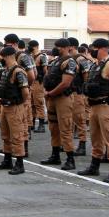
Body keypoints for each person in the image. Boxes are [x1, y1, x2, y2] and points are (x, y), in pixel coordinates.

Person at [78, 39, 109, 182]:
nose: (92, 50)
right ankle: (94, 166)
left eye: (95, 48)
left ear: (103, 49)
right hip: (94, 105)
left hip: (106, 105)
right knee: (95, 137)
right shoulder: (95, 65)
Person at [0, 46, 31, 175]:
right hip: (5, 106)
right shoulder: (5, 71)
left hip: (15, 107)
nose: (0, 59)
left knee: (17, 135)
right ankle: (7, 160)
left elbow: (25, 92)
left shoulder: (18, 71)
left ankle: (19, 163)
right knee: (6, 134)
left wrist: (19, 103)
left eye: (1, 57)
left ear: (8, 56)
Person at [41, 38, 77, 170]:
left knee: (65, 128)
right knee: (53, 128)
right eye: (56, 47)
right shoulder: (55, 61)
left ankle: (70, 159)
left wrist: (51, 93)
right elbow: (48, 78)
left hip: (63, 98)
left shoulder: (70, 62)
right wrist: (47, 91)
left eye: (59, 47)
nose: (57, 49)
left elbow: (66, 83)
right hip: (52, 98)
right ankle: (55, 155)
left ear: (67, 48)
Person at [70, 39, 91, 156]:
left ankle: (82, 145)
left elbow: (86, 76)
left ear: (72, 46)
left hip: (78, 93)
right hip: (69, 93)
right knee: (69, 120)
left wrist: (84, 89)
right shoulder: (69, 59)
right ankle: (68, 145)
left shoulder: (81, 59)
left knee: (79, 119)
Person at [29, 40, 48, 133]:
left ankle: (41, 125)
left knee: (39, 104)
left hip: (38, 83)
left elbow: (45, 72)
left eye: (31, 46)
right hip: (31, 82)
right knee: (31, 103)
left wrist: (44, 84)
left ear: (36, 46)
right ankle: (31, 123)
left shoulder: (42, 57)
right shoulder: (30, 56)